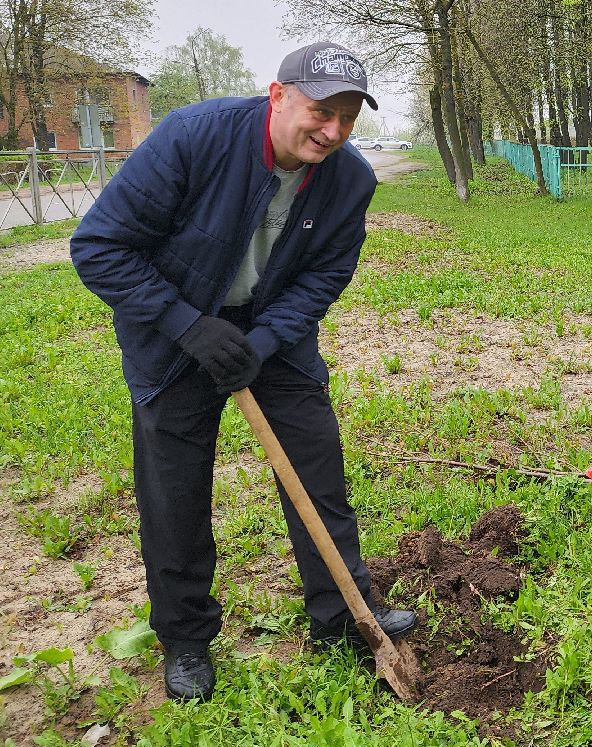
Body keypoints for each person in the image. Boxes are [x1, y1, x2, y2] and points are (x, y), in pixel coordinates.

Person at [70, 42, 416, 702]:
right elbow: (98, 248)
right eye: (321, 111)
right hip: (173, 331)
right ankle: (187, 640)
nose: (334, 131)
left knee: (317, 467)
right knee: (174, 493)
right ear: (277, 94)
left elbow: (324, 275)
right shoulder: (194, 139)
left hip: (269, 333)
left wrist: (261, 341)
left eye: (347, 117)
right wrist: (188, 326)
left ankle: (344, 615)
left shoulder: (350, 180)